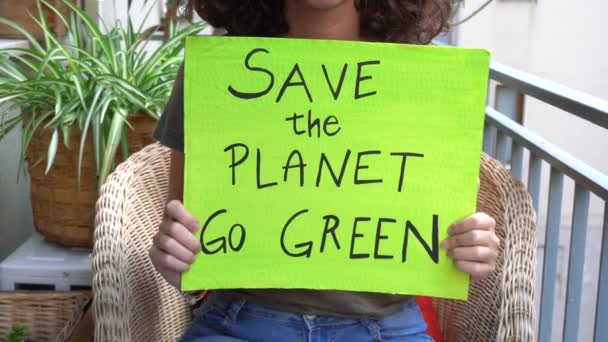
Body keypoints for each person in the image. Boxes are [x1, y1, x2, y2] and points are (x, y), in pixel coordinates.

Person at [149, 1, 501, 341]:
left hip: (385, 328)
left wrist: (472, 246)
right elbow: (188, 244)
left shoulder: (426, 82)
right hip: (240, 324)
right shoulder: (218, 73)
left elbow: (449, 224)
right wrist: (176, 258)